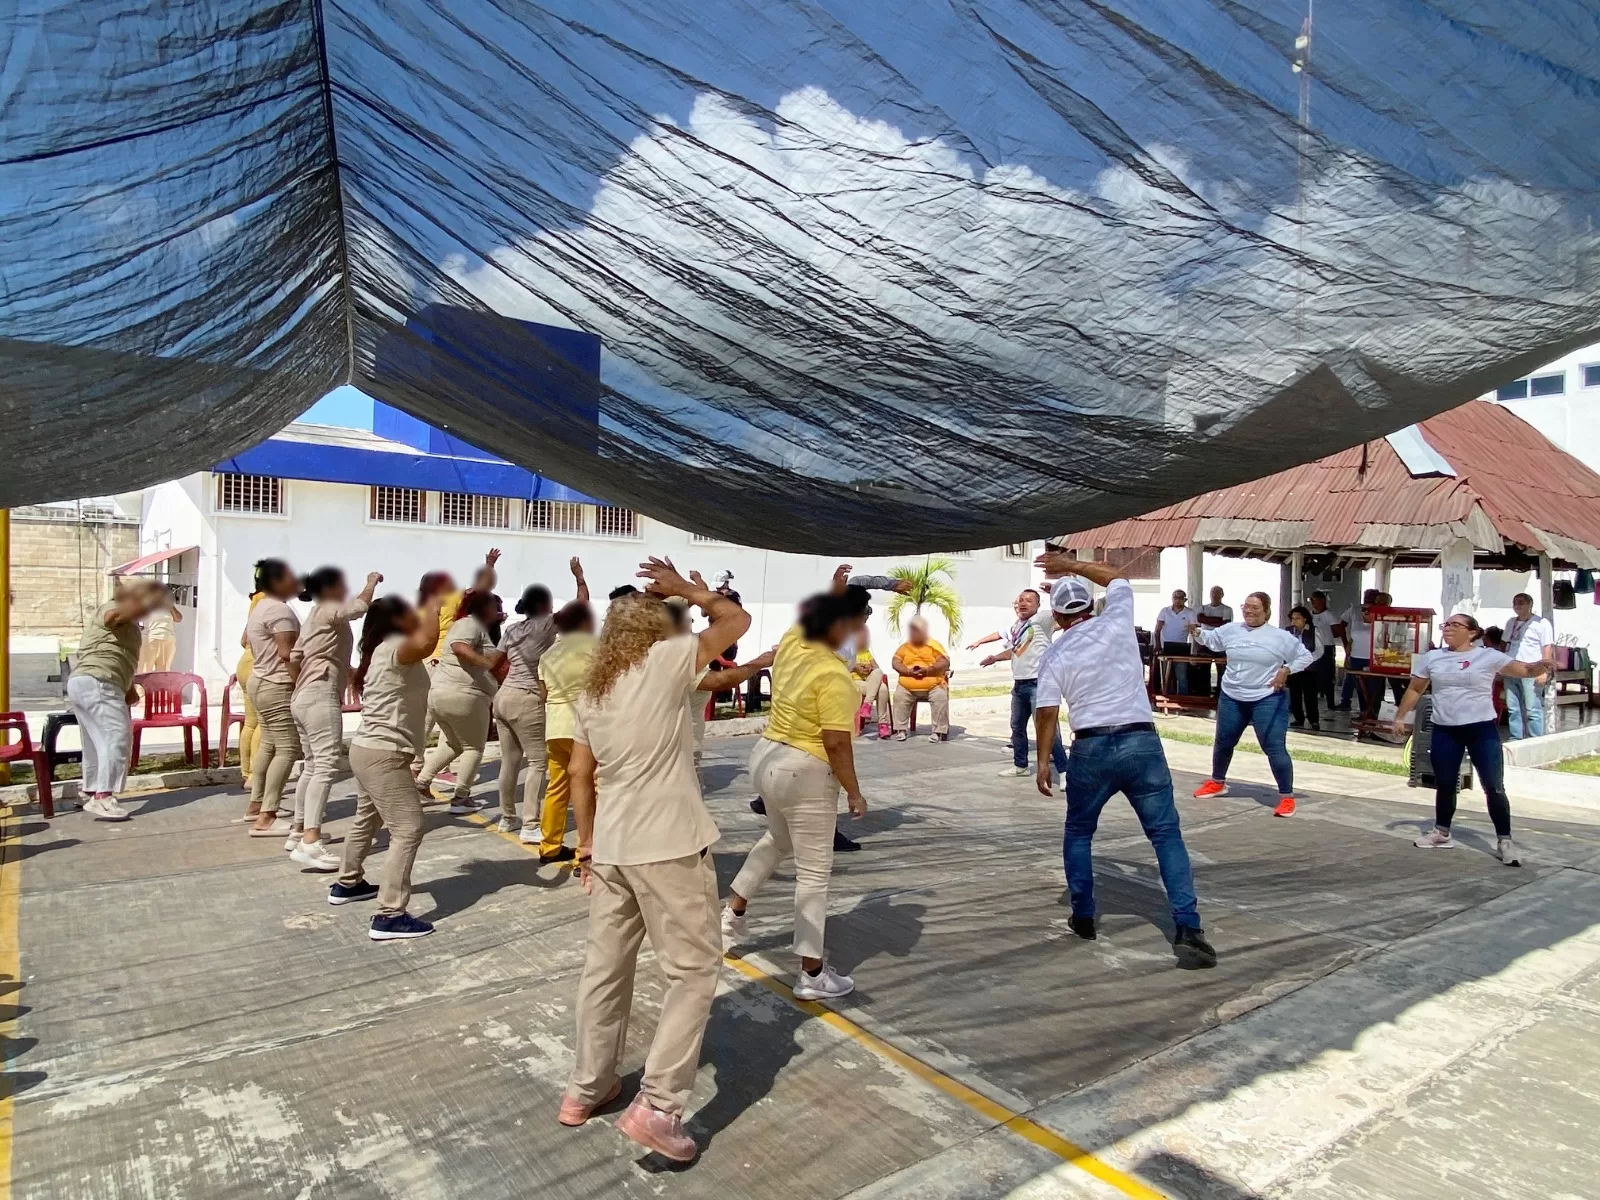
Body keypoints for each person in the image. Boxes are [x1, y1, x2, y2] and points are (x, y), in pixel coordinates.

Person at [559, 561, 750, 1161]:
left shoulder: (593, 690)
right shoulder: (667, 662)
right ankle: (660, 1105)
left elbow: (579, 775)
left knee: (605, 970)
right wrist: (691, 591)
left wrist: (585, 844)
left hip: (612, 845)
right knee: (693, 972)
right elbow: (736, 620)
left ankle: (586, 1088)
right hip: (668, 841)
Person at [1030, 551, 1216, 969]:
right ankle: (1188, 926)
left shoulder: (1054, 656)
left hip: (1091, 748)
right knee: (1166, 835)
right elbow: (1116, 576)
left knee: (1079, 832)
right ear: (1091, 606)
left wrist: (1044, 761)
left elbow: (1046, 713)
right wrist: (1073, 566)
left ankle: (1083, 916)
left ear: (1058, 618)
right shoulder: (1116, 621)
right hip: (1141, 743)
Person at [722, 585, 872, 999]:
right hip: (804, 772)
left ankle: (733, 912)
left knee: (777, 839)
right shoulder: (835, 677)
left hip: (767, 758)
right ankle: (812, 973)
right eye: (862, 619)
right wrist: (854, 793)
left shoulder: (792, 639)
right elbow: (837, 744)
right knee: (813, 873)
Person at [1391, 612, 1547, 866]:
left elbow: (1524, 670)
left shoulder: (1488, 656)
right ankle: (1442, 832)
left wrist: (1541, 665)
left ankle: (1504, 840)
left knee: (1493, 786)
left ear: (1472, 632)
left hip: (1480, 730)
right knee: (1445, 784)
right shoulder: (1433, 658)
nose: (1448, 628)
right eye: (1446, 624)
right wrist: (1400, 717)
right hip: (1445, 730)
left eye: (1455, 625)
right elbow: (1415, 689)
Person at [331, 593, 443, 939]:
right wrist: (436, 608)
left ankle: (348, 883)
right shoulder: (396, 646)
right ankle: (390, 915)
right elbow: (426, 643)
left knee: (368, 816)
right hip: (384, 754)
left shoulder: (381, 651)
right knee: (408, 828)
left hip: (368, 750)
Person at [284, 566, 381, 870]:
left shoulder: (313, 617)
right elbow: (359, 608)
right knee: (326, 766)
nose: (346, 589)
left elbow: (295, 659)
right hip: (318, 695)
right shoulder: (328, 608)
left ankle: (299, 830)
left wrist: (339, 672)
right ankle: (311, 841)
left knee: (312, 766)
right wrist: (370, 582)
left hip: (303, 695)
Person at [1189, 592, 1315, 817]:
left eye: (1255, 608)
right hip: (1231, 696)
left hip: (1266, 697)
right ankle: (1217, 782)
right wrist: (1198, 633)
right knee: (1224, 742)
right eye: (1246, 606)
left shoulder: (1279, 637)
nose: (1249, 611)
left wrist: (1286, 669)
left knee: (1274, 748)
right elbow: (1213, 640)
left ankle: (1286, 797)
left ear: (1266, 611)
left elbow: (1305, 656)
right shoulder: (1231, 630)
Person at [494, 558, 587, 836]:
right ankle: (531, 823)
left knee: (509, 761)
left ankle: (507, 816)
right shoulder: (546, 625)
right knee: (537, 762)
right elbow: (580, 604)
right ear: (545, 605)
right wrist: (579, 577)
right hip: (527, 697)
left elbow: (497, 661)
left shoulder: (511, 629)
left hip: (503, 697)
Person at [67, 579, 169, 821]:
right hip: (99, 681)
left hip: (88, 682)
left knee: (96, 742)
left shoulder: (129, 624)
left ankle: (91, 790)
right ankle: (103, 797)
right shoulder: (113, 609)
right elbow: (115, 616)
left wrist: (129, 691)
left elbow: (120, 657)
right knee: (116, 738)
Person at [417, 589, 505, 812]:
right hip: (463, 695)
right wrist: (485, 664)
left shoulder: (475, 627)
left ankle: (422, 783)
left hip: (445, 695)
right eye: (496, 607)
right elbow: (459, 646)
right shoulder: (469, 624)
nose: (499, 612)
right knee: (474, 748)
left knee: (453, 744)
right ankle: (461, 797)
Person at [417, 548, 500, 770]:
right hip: (447, 663)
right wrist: (490, 565)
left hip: (423, 663)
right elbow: (480, 591)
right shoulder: (450, 600)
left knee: (425, 717)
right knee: (450, 721)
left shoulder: (420, 608)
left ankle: (415, 763)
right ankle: (440, 765)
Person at [970, 588, 1067, 778]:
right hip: (1020, 685)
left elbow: (1063, 613)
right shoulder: (1016, 627)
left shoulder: (1042, 619)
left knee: (1046, 729)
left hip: (1039, 684)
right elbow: (1016, 651)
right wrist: (995, 658)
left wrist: (1056, 592)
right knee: (1017, 727)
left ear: (1038, 605)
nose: (1022, 603)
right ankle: (1020, 766)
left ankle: (1064, 771)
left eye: (1028, 600)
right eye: (1020, 600)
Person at [246, 559, 305, 838]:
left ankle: (256, 805)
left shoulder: (261, 607)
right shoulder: (281, 611)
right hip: (277, 684)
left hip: (260, 680)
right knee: (288, 748)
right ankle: (267, 817)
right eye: (291, 577)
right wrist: (301, 682)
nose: (297, 582)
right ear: (278, 581)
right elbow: (287, 654)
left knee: (269, 745)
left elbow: (245, 639)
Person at [535, 600, 597, 862]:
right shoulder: (595, 647)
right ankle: (587, 851)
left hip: (555, 727)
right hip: (582, 726)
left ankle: (549, 846)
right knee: (590, 788)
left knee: (557, 787)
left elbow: (543, 694)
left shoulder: (548, 655)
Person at [1503, 592, 1554, 739]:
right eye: (1515, 603)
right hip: (1511, 668)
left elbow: (1547, 647)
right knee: (1513, 708)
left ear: (1530, 604)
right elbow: (1505, 643)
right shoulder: (1511, 622)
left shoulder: (1541, 623)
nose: (1517, 606)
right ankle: (1515, 739)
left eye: (1521, 603)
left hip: (1531, 669)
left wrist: (1544, 670)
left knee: (1532, 709)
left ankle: (1535, 740)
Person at [891, 616, 950, 742]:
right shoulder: (905, 647)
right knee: (899, 696)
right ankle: (901, 730)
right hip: (907, 685)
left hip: (934, 685)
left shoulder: (934, 645)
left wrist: (927, 670)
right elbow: (895, 662)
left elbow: (944, 662)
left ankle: (937, 732)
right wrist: (908, 671)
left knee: (940, 696)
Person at [235, 589, 265, 804]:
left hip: (245, 663)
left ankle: (246, 772)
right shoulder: (268, 600)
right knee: (264, 723)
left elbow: (244, 639)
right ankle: (255, 776)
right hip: (258, 664)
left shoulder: (255, 603)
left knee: (251, 722)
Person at [1335, 588, 1380, 713]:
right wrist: (1346, 643)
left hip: (1373, 656)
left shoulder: (1380, 613)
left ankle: (1371, 711)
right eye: (1366, 597)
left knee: (1372, 686)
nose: (1365, 612)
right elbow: (1341, 625)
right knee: (1355, 680)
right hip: (1356, 653)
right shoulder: (1354, 610)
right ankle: (1358, 708)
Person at [1285, 605, 1323, 731]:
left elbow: (1319, 649)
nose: (1294, 621)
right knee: (1295, 695)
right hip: (1293, 668)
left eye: (1297, 618)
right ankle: (1298, 719)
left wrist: (1307, 660)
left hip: (1309, 668)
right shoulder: (1288, 631)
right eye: (1293, 618)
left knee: (1310, 695)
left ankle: (1314, 720)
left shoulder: (1313, 630)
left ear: (1305, 619)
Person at [1152, 589, 1196, 696]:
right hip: (1165, 648)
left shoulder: (1190, 613)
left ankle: (1183, 701)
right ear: (1172, 599)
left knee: (1182, 676)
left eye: (1180, 598)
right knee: (1166, 676)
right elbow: (1157, 629)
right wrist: (1157, 645)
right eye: (1175, 598)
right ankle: (1167, 698)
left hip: (1182, 648)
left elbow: (1194, 632)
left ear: (1185, 600)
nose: (1177, 600)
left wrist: (1195, 648)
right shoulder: (1165, 611)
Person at [851, 626, 892, 739]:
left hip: (869, 682)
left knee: (878, 672)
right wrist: (855, 668)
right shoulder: (847, 651)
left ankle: (867, 705)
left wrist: (869, 669)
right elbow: (842, 667)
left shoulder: (866, 652)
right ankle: (882, 724)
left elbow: (877, 669)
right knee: (882, 689)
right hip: (854, 682)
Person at [1309, 591, 1339, 709]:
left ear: (1322, 600)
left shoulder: (1329, 615)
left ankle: (1330, 703)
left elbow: (1337, 631)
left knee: (1327, 676)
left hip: (1326, 647)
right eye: (1311, 600)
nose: (1313, 603)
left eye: (1315, 600)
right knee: (1312, 676)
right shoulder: (1309, 615)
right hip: (1312, 647)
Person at [137, 600, 181, 674]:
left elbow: (178, 618)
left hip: (167, 639)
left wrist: (171, 607)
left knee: (163, 674)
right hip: (150, 639)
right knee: (144, 672)